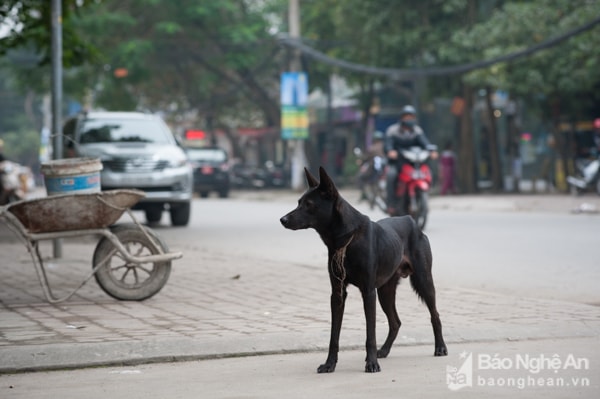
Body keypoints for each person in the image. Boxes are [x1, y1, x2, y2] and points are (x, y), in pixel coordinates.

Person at [385, 105, 437, 213]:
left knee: (427, 170)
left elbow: (425, 143)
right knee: (391, 175)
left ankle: (426, 195)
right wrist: (390, 151)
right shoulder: (393, 130)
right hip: (398, 162)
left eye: (411, 117)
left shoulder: (417, 131)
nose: (409, 120)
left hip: (413, 162)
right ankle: (391, 204)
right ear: (402, 118)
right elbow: (388, 145)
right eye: (407, 117)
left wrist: (431, 151)